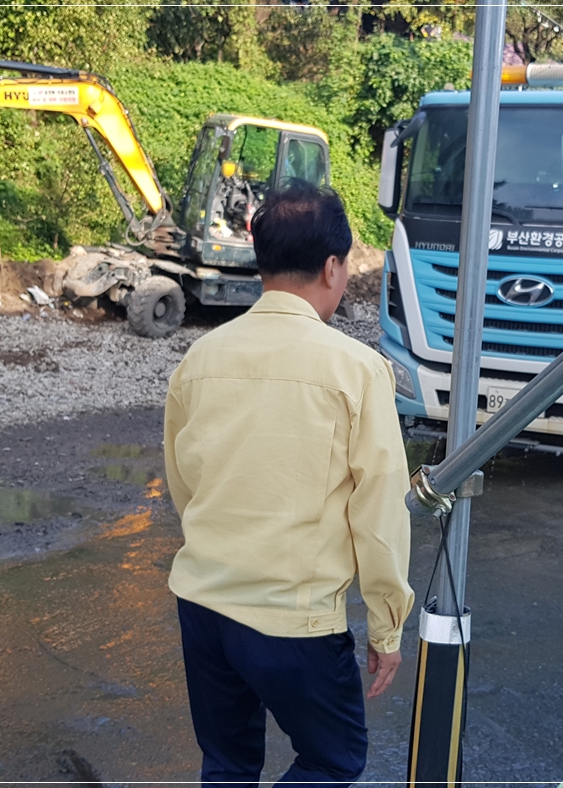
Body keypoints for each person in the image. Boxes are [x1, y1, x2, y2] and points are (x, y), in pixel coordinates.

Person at [163, 182, 415, 787]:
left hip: (203, 604)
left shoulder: (201, 359)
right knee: (334, 758)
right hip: (292, 619)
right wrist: (387, 625)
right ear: (333, 267)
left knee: (227, 765)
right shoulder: (355, 369)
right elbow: (379, 511)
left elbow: (185, 483)